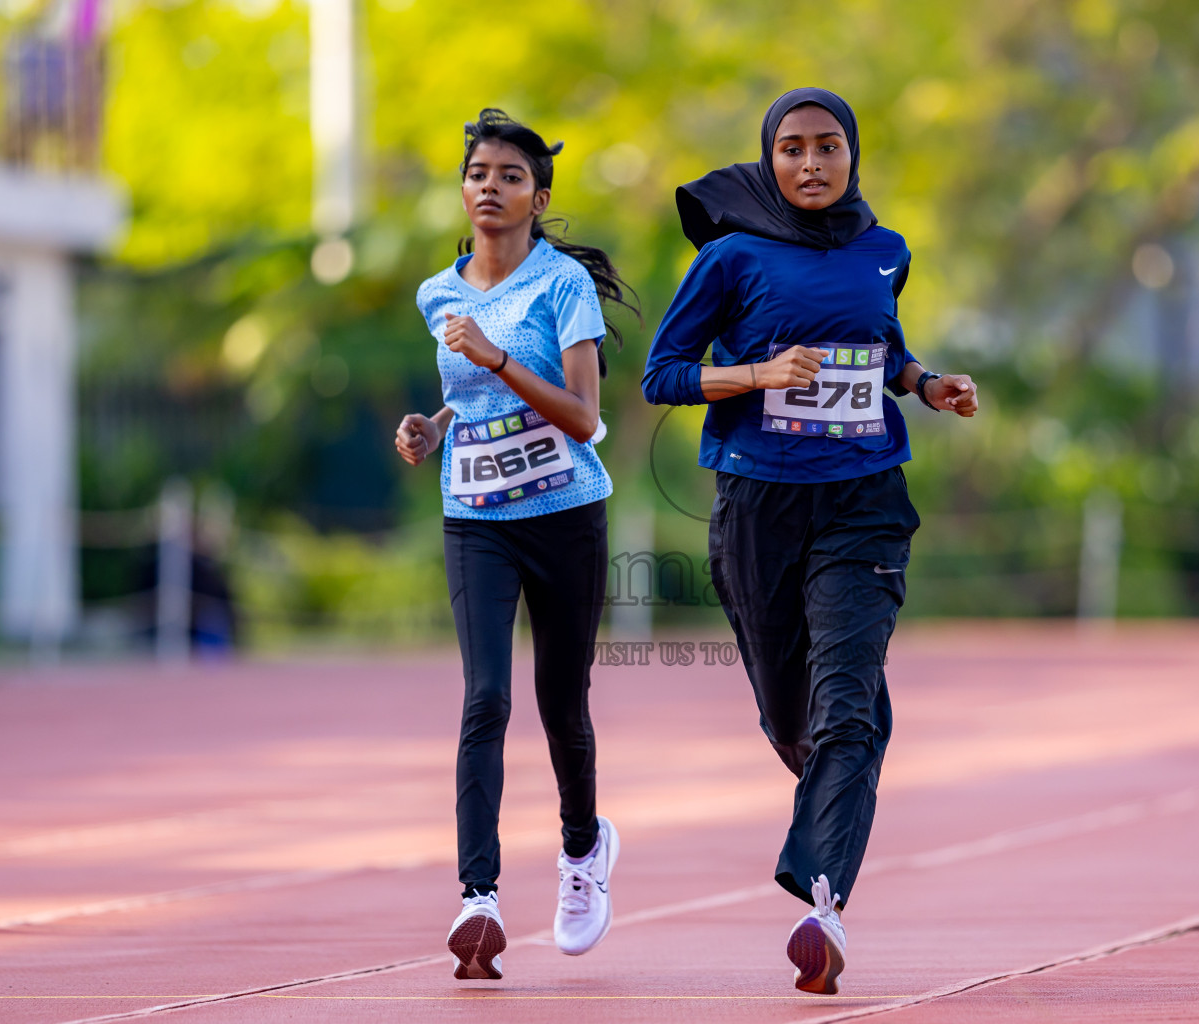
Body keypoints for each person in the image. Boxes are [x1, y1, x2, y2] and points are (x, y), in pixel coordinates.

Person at [641, 87, 978, 994]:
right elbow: (661, 375)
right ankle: (847, 756)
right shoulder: (731, 256)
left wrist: (926, 381)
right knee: (799, 718)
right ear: (769, 159)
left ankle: (820, 905)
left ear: (853, 155)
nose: (812, 165)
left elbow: (881, 345)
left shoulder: (884, 251)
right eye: (793, 149)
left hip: (865, 500)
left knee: (846, 707)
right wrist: (758, 372)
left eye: (828, 147)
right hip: (759, 505)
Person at [395, 109, 637, 981]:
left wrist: (497, 358)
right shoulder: (438, 291)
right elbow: (462, 395)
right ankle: (479, 897)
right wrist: (432, 426)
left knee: (560, 704)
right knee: (484, 698)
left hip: (566, 514)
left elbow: (584, 417)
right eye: (477, 174)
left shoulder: (562, 283)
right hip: (476, 518)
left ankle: (583, 850)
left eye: (508, 175)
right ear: (462, 191)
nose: (489, 187)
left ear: (538, 195)